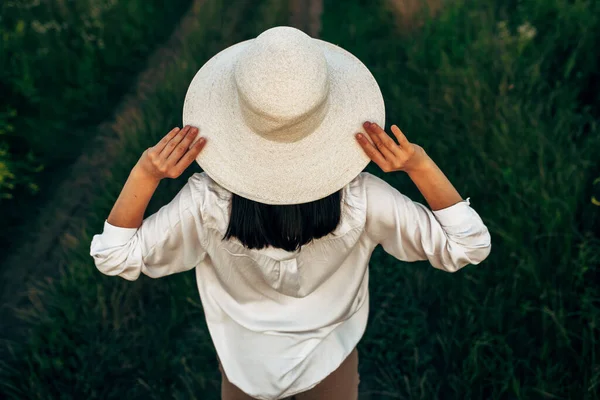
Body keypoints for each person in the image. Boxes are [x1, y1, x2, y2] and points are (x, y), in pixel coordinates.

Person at [90, 26, 491, 400]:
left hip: (244, 364)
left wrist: (146, 173)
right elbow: (467, 245)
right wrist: (418, 166)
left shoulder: (207, 202)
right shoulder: (363, 199)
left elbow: (114, 256)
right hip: (330, 359)